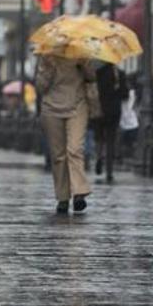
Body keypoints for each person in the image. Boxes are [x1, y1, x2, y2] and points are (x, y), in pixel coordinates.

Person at [35, 55, 95, 214]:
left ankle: (79, 193)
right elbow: (41, 87)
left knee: (75, 149)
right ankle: (63, 198)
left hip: (77, 106)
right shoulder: (46, 57)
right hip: (52, 109)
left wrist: (84, 65)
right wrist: (48, 69)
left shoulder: (81, 53)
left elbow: (92, 77)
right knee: (58, 155)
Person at [94, 64, 129, 183]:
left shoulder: (98, 72)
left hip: (100, 109)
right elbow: (125, 95)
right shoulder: (120, 74)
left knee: (99, 137)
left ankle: (99, 157)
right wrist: (118, 89)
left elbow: (94, 90)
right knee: (110, 140)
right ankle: (109, 171)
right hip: (114, 111)